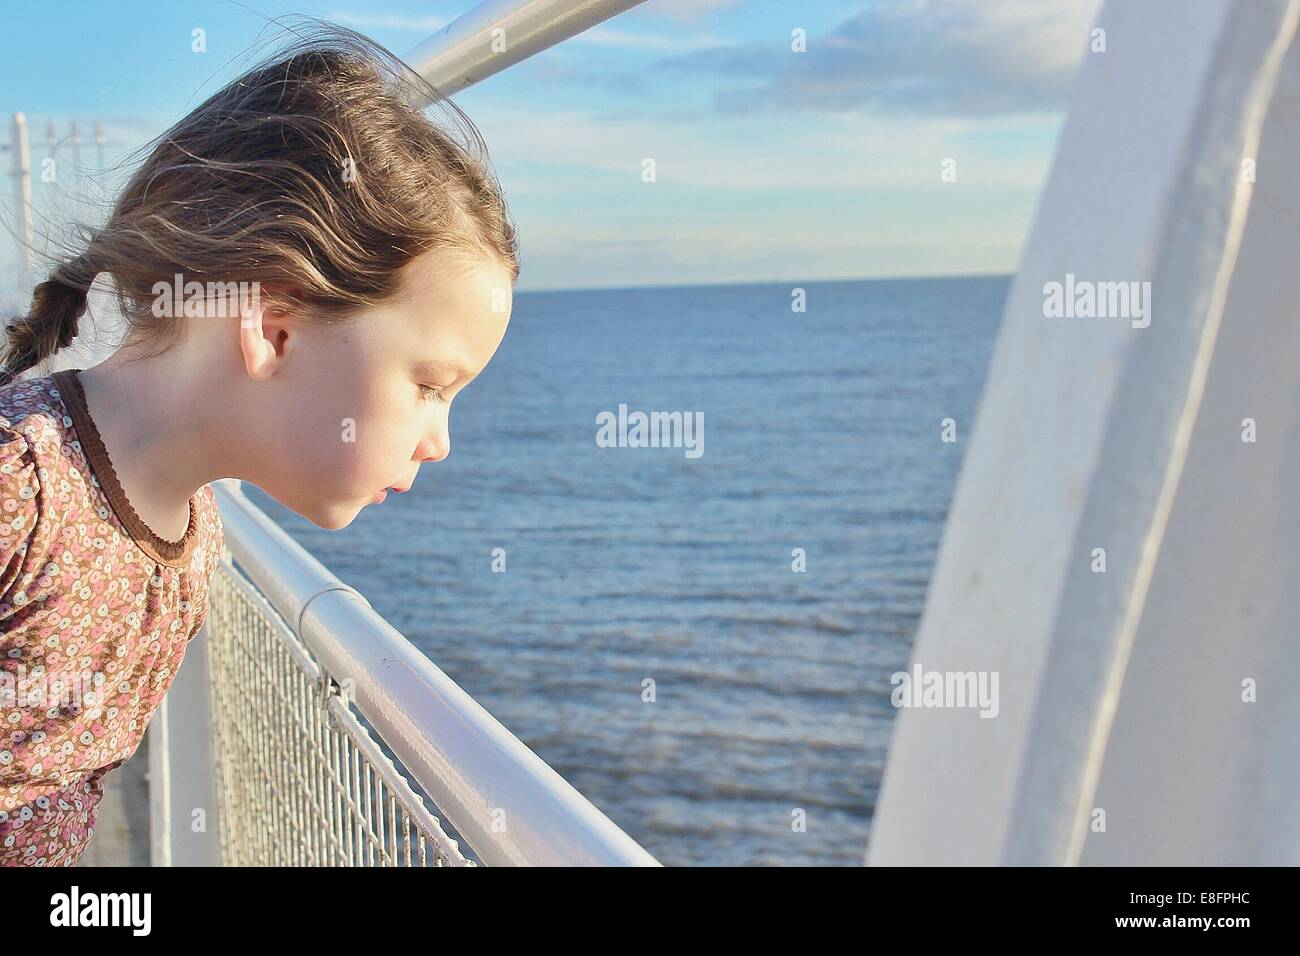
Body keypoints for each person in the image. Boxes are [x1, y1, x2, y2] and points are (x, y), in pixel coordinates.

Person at [0, 24, 518, 866]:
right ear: (273, 329)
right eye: (430, 386)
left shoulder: (188, 536)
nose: (440, 442)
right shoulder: (22, 492)